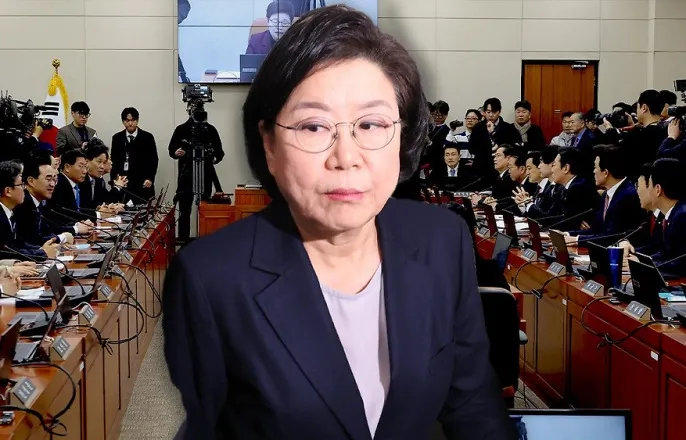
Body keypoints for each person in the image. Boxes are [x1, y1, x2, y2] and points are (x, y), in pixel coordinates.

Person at [163, 6, 515, 440]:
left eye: (371, 124)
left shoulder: (442, 241)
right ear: (269, 144)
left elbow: (472, 402)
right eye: (313, 127)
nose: (346, 157)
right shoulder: (211, 278)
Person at [564, 145, 644, 245]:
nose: (593, 171)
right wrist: (567, 234)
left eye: (595, 167)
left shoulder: (627, 196)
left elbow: (612, 236)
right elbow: (596, 230)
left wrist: (577, 240)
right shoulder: (606, 194)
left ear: (605, 172)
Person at [169, 100, 224, 243]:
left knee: (205, 208)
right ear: (188, 110)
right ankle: (183, 241)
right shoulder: (181, 129)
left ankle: (206, 241)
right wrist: (176, 152)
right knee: (184, 210)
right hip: (186, 174)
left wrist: (214, 158)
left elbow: (220, 152)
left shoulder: (210, 130)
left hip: (205, 175)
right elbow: (171, 149)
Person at [15, 151, 92, 247]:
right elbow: (32, 240)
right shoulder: (23, 204)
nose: (52, 184)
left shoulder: (40, 203)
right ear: (31, 181)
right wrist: (62, 237)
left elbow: (48, 230)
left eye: (54, 179)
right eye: (48, 179)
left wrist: (65, 235)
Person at [0, 161, 60, 261]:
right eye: (21, 185)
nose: (24, 189)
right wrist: (43, 253)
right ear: (8, 191)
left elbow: (18, 245)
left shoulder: (9, 213)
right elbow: (6, 253)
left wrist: (42, 250)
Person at [111, 107, 159, 202]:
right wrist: (115, 179)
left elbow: (153, 160)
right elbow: (114, 161)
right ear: (123, 122)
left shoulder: (147, 137)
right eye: (127, 120)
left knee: (142, 208)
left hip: (142, 182)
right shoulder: (117, 138)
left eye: (133, 120)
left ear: (137, 121)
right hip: (124, 183)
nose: (130, 123)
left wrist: (150, 178)